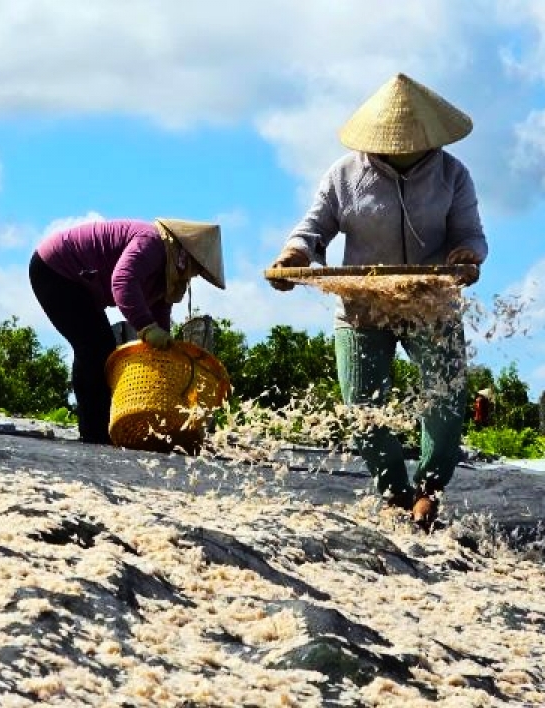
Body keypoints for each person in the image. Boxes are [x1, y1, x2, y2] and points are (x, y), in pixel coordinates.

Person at [266, 73, 488, 530]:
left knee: (444, 403)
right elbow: (312, 230)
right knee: (363, 405)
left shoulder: (452, 174)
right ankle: (394, 492)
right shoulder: (344, 175)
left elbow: (470, 235)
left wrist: (467, 257)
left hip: (431, 303)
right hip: (362, 305)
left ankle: (429, 490)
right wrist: (295, 255)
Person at [30, 218, 224, 445]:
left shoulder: (165, 274)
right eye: (196, 267)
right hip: (56, 270)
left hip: (80, 283)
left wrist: (162, 345)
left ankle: (98, 430)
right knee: (95, 347)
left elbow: (159, 309)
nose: (193, 274)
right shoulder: (152, 243)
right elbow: (123, 281)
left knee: (96, 346)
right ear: (184, 254)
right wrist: (146, 327)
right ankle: (94, 433)